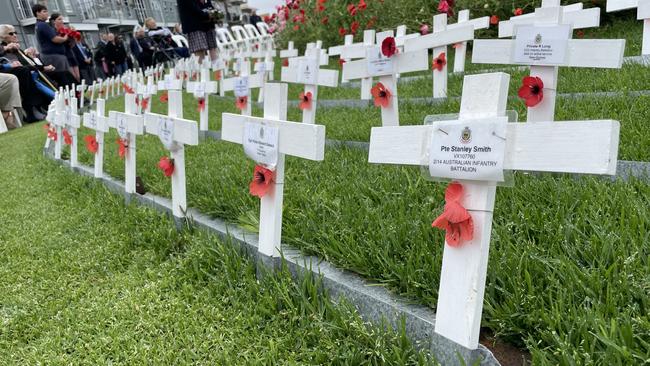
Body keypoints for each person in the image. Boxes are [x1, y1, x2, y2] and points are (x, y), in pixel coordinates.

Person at [32, 4, 70, 72]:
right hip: (53, 57)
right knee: (63, 77)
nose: (47, 13)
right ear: (38, 13)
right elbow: (55, 39)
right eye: (44, 11)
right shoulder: (43, 25)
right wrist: (65, 37)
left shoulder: (40, 25)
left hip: (52, 56)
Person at [49, 13, 80, 82]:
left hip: (70, 53)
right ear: (54, 21)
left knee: (78, 76)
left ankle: (80, 90)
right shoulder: (52, 32)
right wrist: (65, 36)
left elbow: (72, 45)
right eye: (59, 19)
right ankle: (76, 91)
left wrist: (73, 36)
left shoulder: (66, 30)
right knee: (73, 77)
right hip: (63, 56)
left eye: (62, 19)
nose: (62, 21)